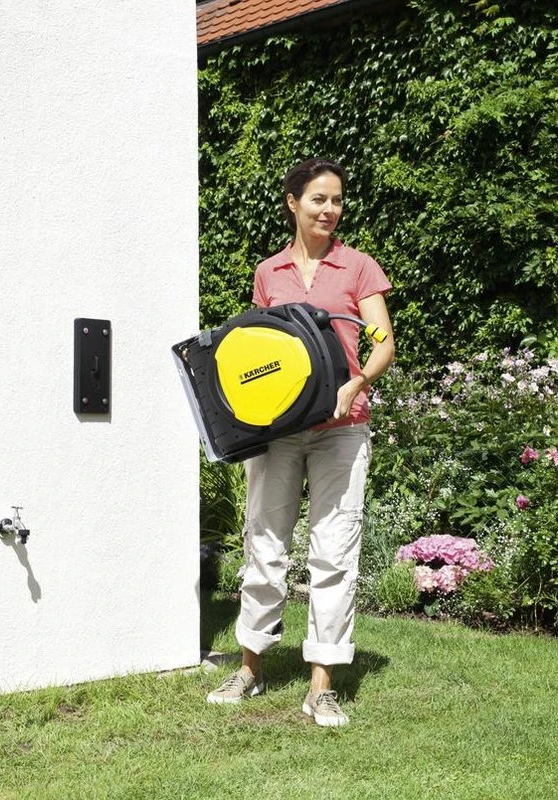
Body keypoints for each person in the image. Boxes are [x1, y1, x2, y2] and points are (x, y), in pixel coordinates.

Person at [206, 157, 395, 727]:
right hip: (281, 431)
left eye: (336, 200)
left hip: (343, 429)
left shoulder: (359, 267)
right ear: (293, 203)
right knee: (264, 545)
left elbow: (383, 341)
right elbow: (261, 348)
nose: (329, 210)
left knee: (333, 553)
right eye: (318, 199)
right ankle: (250, 668)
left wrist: (357, 382)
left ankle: (321, 685)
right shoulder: (270, 273)